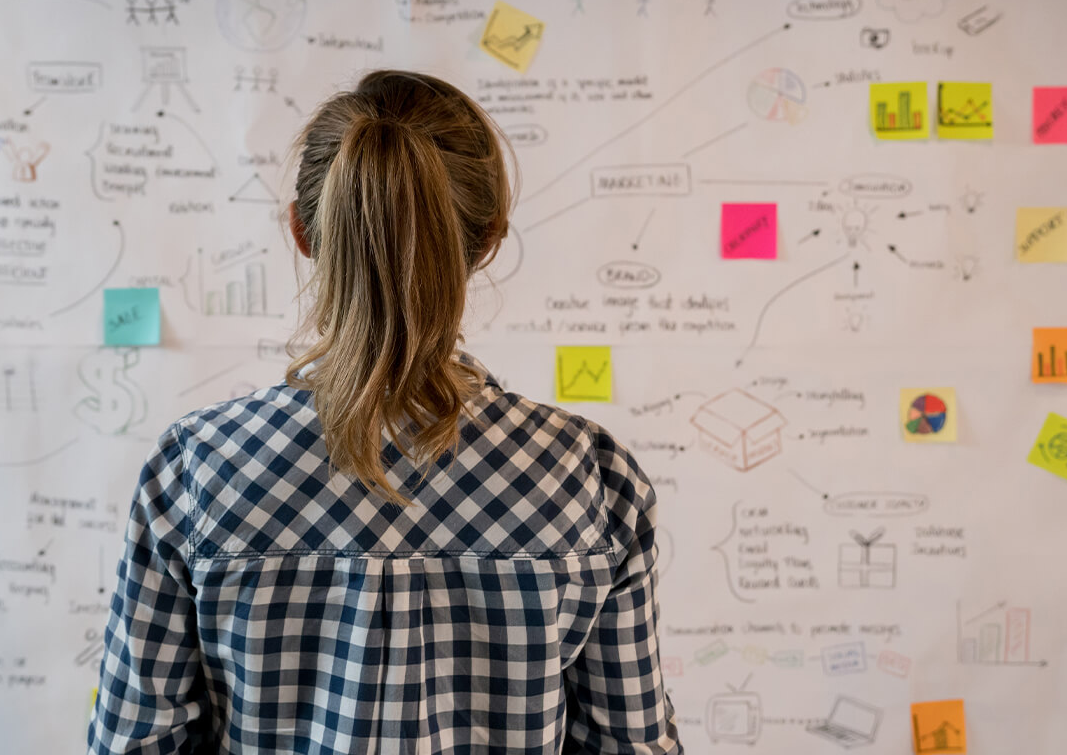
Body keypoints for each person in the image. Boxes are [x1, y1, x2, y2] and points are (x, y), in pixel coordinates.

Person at [87, 69, 681, 755]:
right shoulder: (588, 475)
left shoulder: (196, 466)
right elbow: (631, 745)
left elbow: (136, 742)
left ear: (303, 232)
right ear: (487, 241)